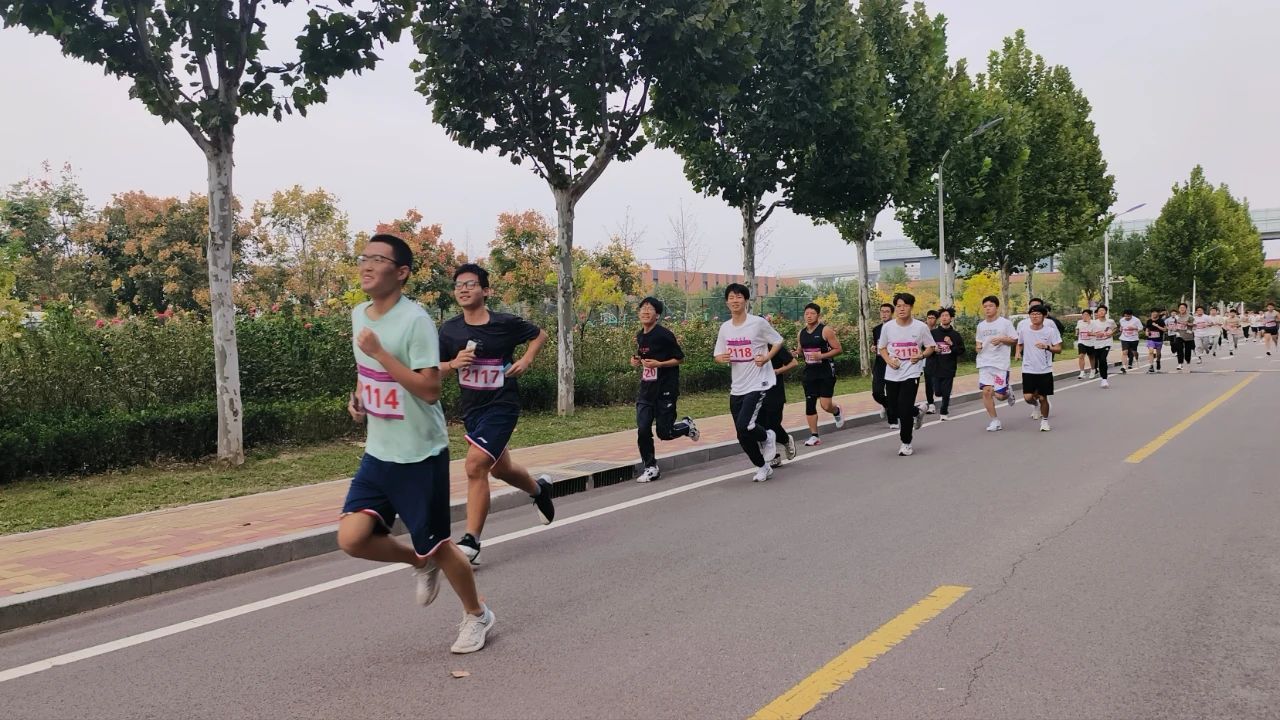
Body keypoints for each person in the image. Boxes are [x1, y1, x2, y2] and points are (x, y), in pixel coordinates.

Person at [338, 234, 494, 655]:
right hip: (378, 451)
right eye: (364, 257)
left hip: (420, 454)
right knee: (352, 538)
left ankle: (477, 614)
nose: (367, 265)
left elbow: (429, 389)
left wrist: (382, 354)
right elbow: (366, 371)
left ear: (402, 272)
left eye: (378, 259)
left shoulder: (415, 321)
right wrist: (359, 399)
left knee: (439, 545)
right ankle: (416, 561)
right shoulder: (358, 314)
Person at [439, 263, 557, 565]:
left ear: (486, 290)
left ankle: (471, 542)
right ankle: (539, 490)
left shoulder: (505, 323)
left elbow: (540, 335)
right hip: (472, 410)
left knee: (475, 465)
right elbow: (433, 369)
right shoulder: (449, 330)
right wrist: (453, 364)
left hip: (502, 406)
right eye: (458, 285)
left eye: (470, 284)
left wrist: (526, 360)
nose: (463, 289)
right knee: (500, 469)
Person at [714, 283, 784, 482]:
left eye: (739, 297)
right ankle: (762, 467)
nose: (735, 301)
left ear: (745, 300)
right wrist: (722, 358)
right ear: (727, 302)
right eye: (731, 297)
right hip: (737, 386)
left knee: (745, 425)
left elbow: (778, 341)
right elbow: (718, 354)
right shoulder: (725, 328)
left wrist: (767, 357)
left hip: (758, 382)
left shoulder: (757, 323)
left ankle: (768, 436)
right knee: (741, 434)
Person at [631, 297, 699, 484]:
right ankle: (650, 467)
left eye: (650, 309)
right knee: (643, 429)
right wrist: (636, 361)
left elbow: (680, 358)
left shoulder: (664, 335)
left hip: (665, 389)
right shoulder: (640, 335)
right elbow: (644, 357)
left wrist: (659, 364)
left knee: (665, 432)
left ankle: (686, 426)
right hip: (646, 389)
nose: (645, 312)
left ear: (657, 315)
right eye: (643, 308)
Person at [877, 292, 936, 456]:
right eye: (898, 306)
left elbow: (931, 347)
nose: (901, 309)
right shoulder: (888, 327)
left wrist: (921, 356)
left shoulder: (920, 327)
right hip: (892, 372)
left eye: (905, 306)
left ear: (911, 307)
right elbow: (882, 348)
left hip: (912, 372)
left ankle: (906, 443)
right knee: (893, 409)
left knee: (904, 409)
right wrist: (889, 361)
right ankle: (917, 411)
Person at [798, 302, 844, 446]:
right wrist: (796, 353)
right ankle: (814, 435)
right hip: (809, 373)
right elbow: (801, 350)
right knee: (810, 403)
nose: (809, 316)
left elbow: (838, 349)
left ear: (818, 315)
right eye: (806, 313)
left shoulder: (825, 330)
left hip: (825, 372)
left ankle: (836, 411)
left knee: (825, 405)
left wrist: (821, 356)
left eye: (812, 313)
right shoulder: (801, 333)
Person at [1015, 304, 1063, 432]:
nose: (1035, 316)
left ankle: (1045, 421)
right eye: (1032, 314)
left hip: (1044, 369)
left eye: (1038, 314)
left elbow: (1058, 349)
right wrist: (1018, 352)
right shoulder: (1024, 330)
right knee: (1028, 397)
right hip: (1028, 368)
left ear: (1044, 316)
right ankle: (1035, 405)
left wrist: (1047, 347)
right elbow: (1019, 343)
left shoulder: (1050, 331)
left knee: (1043, 397)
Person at [974, 295, 1019, 432]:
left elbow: (1014, 340)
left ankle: (1007, 392)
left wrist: (1001, 339)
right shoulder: (981, 326)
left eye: (990, 306)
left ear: (997, 307)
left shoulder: (1005, 323)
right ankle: (995, 421)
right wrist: (978, 348)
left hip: (1000, 364)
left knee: (1000, 396)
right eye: (985, 306)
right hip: (984, 363)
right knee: (986, 392)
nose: (987, 309)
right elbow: (978, 343)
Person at [765, 343, 800, 467]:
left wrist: (777, 371)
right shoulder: (751, 346)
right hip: (756, 391)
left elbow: (793, 363)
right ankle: (773, 456)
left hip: (774, 391)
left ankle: (786, 440)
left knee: (773, 424)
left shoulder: (775, 346)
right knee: (760, 425)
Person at [930, 307, 965, 421]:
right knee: (938, 392)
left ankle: (944, 412)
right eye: (942, 316)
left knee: (946, 392)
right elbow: (925, 347)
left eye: (947, 316)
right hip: (935, 367)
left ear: (951, 318)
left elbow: (961, 351)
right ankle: (940, 394)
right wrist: (934, 349)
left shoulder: (956, 335)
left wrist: (951, 344)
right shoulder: (933, 333)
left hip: (949, 367)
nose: (944, 318)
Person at [870, 303, 897, 429]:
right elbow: (877, 344)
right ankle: (889, 406)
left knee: (892, 393)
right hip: (880, 363)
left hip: (893, 363)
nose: (884, 314)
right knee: (877, 393)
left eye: (887, 311)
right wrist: (873, 347)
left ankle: (893, 420)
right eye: (882, 311)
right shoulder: (876, 329)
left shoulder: (897, 328)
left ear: (892, 313)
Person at [1093, 305, 1116, 388]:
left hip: (1107, 343)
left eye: (1103, 310)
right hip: (1096, 343)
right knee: (1100, 361)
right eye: (1100, 311)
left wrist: (1111, 333)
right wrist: (1096, 334)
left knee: (1103, 359)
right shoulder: (1094, 323)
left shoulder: (1110, 321)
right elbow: (1089, 333)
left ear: (1106, 312)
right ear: (1097, 313)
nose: (1102, 312)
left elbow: (1115, 328)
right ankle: (1102, 375)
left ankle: (1104, 379)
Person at [1166, 303, 1194, 371]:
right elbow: (1175, 324)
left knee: (1187, 351)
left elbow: (1193, 324)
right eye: (1180, 308)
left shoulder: (1190, 316)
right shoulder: (1176, 317)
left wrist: (1187, 323)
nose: (1182, 309)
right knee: (1179, 348)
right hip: (1179, 334)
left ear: (1186, 309)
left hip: (1188, 335)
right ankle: (1180, 363)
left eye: (1183, 308)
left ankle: (1188, 362)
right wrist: (1173, 328)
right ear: (1178, 309)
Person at [922, 310, 940, 414]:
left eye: (933, 318)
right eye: (929, 318)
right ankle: (931, 403)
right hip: (925, 360)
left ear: (936, 320)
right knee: (928, 382)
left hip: (939, 361)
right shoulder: (922, 330)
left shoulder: (939, 331)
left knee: (937, 383)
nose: (930, 320)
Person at [1144, 308, 1166, 373]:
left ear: (1158, 313)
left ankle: (1158, 361)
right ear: (1151, 313)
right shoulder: (1149, 321)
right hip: (1150, 339)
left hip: (1159, 340)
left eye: (1156, 312)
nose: (1154, 313)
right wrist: (1146, 333)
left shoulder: (1161, 321)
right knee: (1151, 351)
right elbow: (1147, 330)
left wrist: (1157, 326)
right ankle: (1151, 366)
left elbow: (1165, 329)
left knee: (1158, 354)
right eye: (1153, 312)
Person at [1076, 308, 1095, 380]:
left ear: (1090, 316)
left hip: (1091, 343)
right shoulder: (1079, 322)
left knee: (1091, 357)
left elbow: (1095, 333)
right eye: (1083, 315)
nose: (1084, 316)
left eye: (1086, 315)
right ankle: (1082, 372)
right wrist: (1077, 332)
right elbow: (1077, 328)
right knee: (1081, 356)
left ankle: (1093, 370)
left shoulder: (1093, 323)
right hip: (1082, 342)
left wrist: (1089, 323)